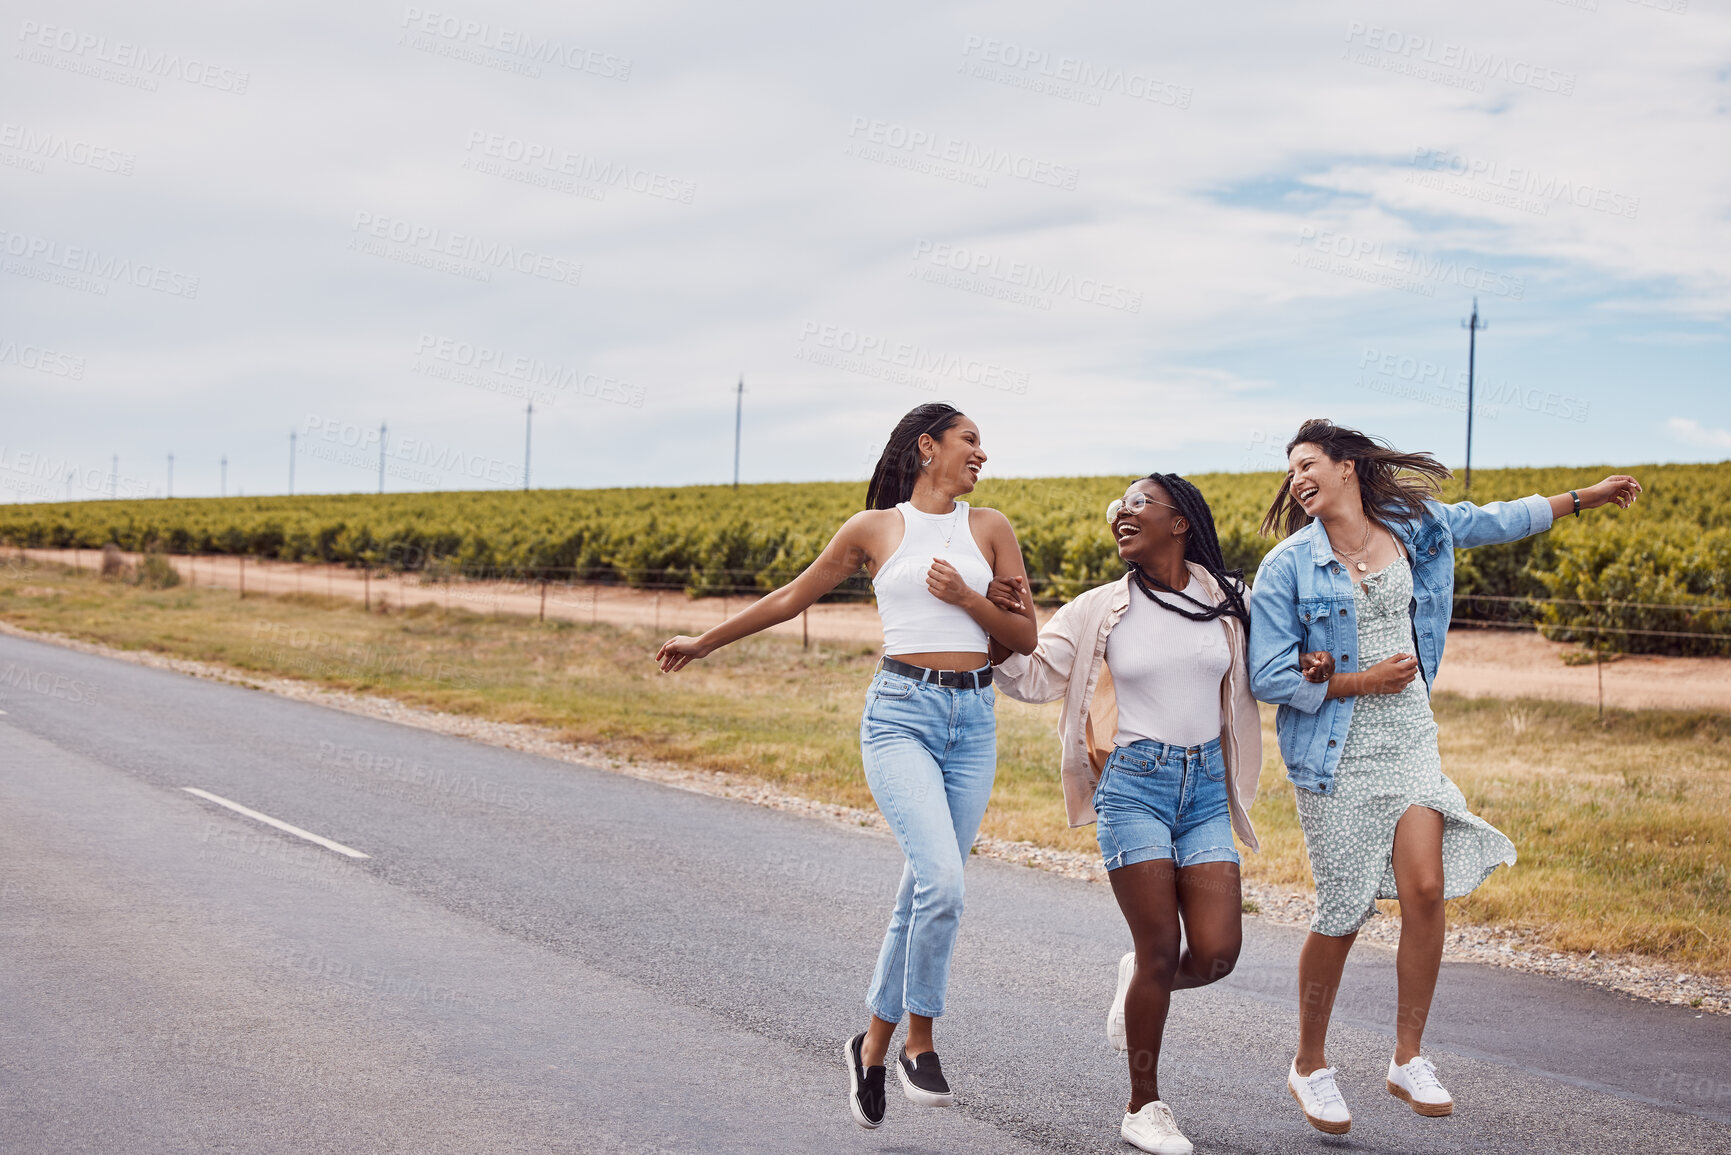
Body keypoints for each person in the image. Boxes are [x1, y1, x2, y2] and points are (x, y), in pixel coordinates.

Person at [1247, 418, 1641, 1135]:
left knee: (1425, 888)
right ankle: (1308, 1063)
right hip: (1333, 754)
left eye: (1308, 464)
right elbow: (1268, 674)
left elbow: (1495, 521)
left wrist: (1584, 496)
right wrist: (1355, 679)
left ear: (1347, 468)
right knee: (1342, 908)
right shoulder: (1287, 567)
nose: (1297, 479)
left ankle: (1407, 1055)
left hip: (1407, 739)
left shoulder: (1415, 528)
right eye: (1290, 470)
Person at [655, 402, 1037, 1131]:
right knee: (943, 884)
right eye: (969, 439)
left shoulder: (990, 527)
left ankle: (871, 1045)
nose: (981, 453)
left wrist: (965, 598)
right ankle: (919, 1038)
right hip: (899, 714)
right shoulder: (873, 529)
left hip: (973, 721)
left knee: (921, 892)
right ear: (928, 446)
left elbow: (1023, 634)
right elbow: (791, 596)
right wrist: (705, 640)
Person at [985, 473, 1285, 1155]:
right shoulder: (1099, 608)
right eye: (1118, 506)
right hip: (1133, 786)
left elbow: (1265, 671)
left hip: (1206, 787)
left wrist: (1316, 663)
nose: (1122, 513)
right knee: (1160, 948)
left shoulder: (1225, 600)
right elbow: (1033, 677)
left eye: (1138, 502)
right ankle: (1142, 1105)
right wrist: (1003, 631)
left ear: (1180, 522)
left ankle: (1137, 980)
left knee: (1212, 954)